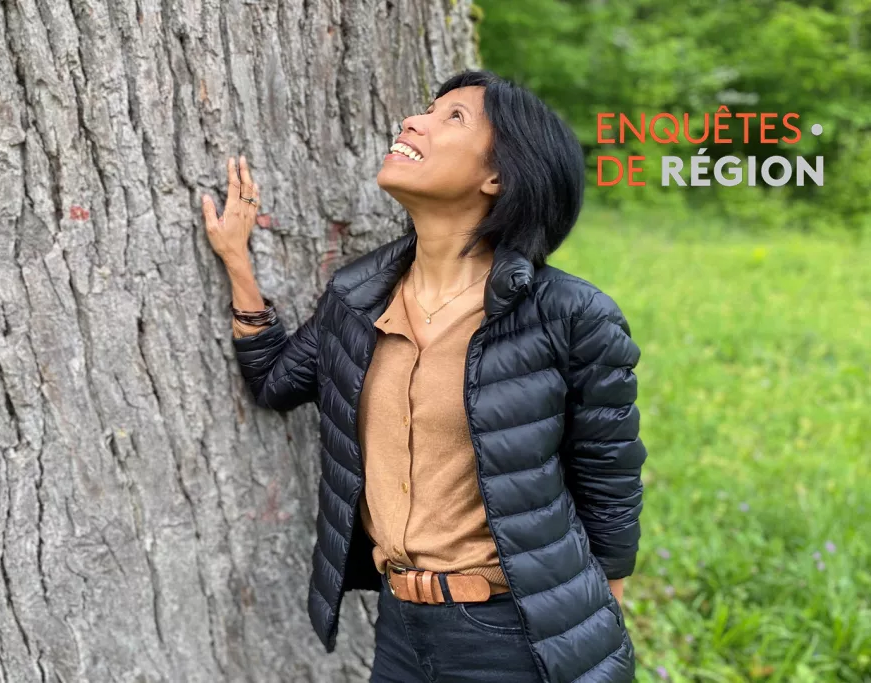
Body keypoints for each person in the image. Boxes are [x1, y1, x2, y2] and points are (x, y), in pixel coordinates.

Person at [201, 69, 646, 683]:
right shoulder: (358, 298)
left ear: (499, 176)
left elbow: (609, 482)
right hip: (400, 630)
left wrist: (590, 632)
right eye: (426, 111)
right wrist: (236, 262)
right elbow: (276, 383)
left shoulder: (570, 315)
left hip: (517, 635)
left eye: (453, 117)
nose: (413, 121)